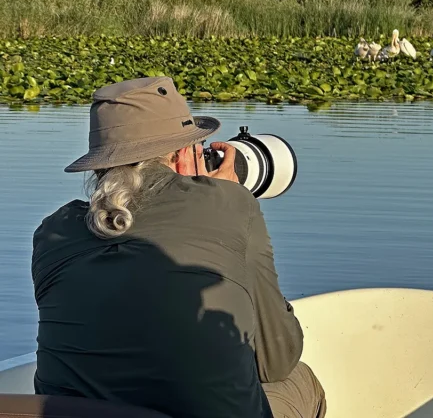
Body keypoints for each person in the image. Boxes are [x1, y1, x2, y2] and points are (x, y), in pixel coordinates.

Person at [32, 76, 326, 418]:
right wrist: (220, 196)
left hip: (82, 412)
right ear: (185, 152)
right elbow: (278, 358)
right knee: (302, 381)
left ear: (99, 164)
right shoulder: (230, 206)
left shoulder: (53, 232)